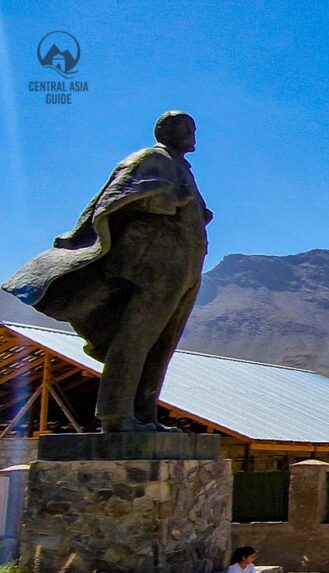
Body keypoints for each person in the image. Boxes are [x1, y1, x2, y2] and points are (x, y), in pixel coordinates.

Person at [2, 111, 213, 432]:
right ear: (169, 131)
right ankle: (116, 416)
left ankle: (145, 414)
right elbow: (117, 199)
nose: (194, 135)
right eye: (188, 129)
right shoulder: (150, 159)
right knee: (136, 337)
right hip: (153, 267)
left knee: (162, 344)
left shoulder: (181, 167)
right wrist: (172, 199)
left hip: (184, 269)